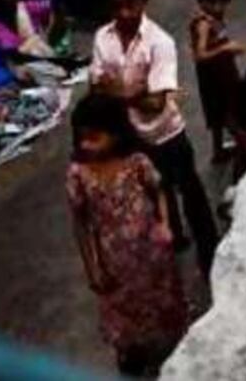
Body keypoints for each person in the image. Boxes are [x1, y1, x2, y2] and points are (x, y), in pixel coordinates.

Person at [89, 0, 219, 279]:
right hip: (132, 138)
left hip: (167, 135)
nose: (122, 13)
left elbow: (155, 104)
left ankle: (211, 257)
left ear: (144, 1)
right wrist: (130, 92)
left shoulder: (160, 43)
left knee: (192, 196)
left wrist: (116, 90)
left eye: (129, 4)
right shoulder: (102, 38)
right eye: (115, 6)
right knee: (152, 198)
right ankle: (173, 243)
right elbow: (96, 90)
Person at [65, 94, 187, 377]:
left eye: (94, 137)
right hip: (114, 263)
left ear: (116, 132)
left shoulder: (137, 163)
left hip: (153, 255)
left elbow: (159, 193)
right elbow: (81, 226)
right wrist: (92, 269)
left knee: (163, 304)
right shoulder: (78, 175)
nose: (86, 145)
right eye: (82, 138)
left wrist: (165, 226)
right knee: (123, 316)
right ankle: (132, 355)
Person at [191, 0, 246, 165]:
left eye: (223, 3)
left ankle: (219, 151)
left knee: (218, 115)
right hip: (215, 77)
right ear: (203, 1)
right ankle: (245, 145)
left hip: (222, 70)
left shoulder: (214, 18)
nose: (220, 8)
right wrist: (226, 48)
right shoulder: (204, 24)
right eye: (215, 3)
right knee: (228, 113)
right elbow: (199, 55)